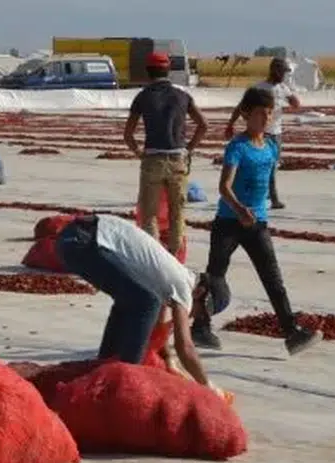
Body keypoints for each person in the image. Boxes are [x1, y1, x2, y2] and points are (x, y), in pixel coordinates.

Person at [192, 87, 320, 355]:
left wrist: (260, 208)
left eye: (270, 113)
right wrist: (239, 209)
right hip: (229, 222)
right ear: (247, 114)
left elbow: (266, 182)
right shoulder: (237, 147)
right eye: (261, 113)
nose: (266, 118)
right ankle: (200, 326)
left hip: (257, 224)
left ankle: (291, 333)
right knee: (215, 277)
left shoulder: (271, 146)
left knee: (273, 280)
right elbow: (224, 186)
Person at [56, 214, 220, 389]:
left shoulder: (170, 278)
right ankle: (125, 381)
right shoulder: (184, 287)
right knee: (146, 302)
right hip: (83, 241)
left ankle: (104, 367)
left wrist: (168, 359)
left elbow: (157, 325)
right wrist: (207, 384)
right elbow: (185, 346)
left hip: (77, 236)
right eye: (199, 311)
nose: (193, 316)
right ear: (200, 292)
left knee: (132, 302)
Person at [124, 51, 208, 256]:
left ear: (148, 72)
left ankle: (154, 259)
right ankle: (174, 257)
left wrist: (138, 152)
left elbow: (128, 134)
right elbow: (203, 125)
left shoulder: (142, 97)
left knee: (149, 215)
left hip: (152, 159)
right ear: (168, 70)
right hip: (178, 159)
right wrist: (188, 150)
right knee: (177, 214)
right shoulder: (183, 96)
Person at [225, 57, 299, 210]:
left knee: (271, 166)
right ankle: (273, 198)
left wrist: (291, 93)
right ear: (274, 70)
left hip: (276, 133)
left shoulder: (283, 87)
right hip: (262, 133)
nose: (284, 75)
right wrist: (230, 124)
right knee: (267, 166)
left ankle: (261, 193)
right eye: (282, 71)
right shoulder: (260, 88)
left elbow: (296, 104)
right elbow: (240, 108)